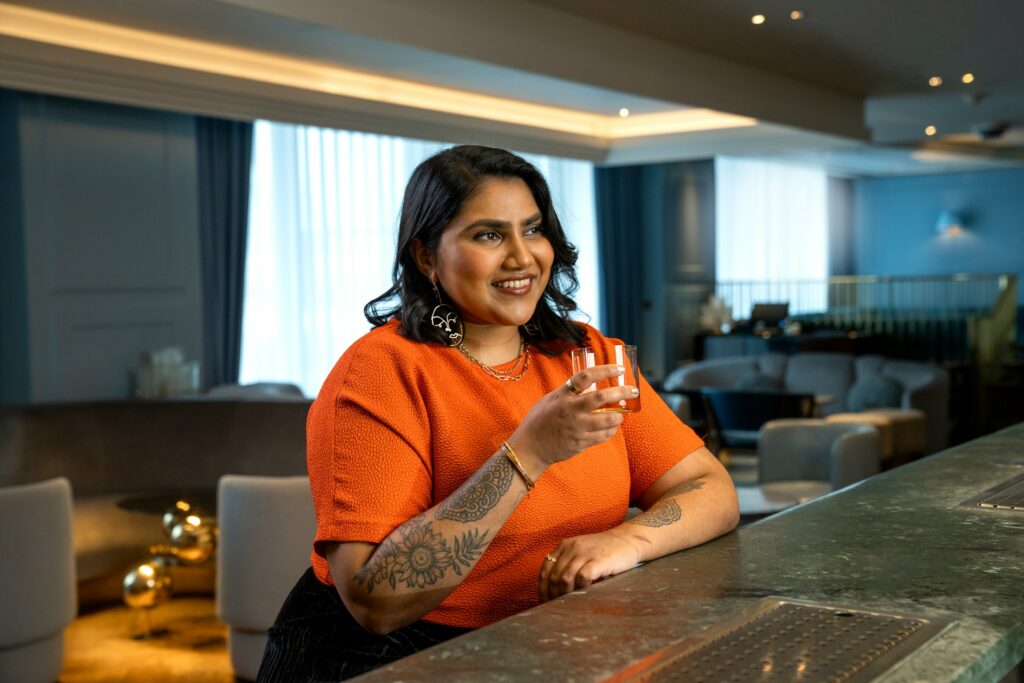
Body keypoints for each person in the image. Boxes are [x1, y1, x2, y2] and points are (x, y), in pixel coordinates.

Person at [257, 145, 739, 681]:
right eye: (488, 235)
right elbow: (377, 601)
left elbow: (711, 487)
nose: (521, 257)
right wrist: (527, 453)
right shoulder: (380, 372)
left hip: (548, 644)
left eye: (532, 230)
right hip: (385, 658)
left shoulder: (585, 353)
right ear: (425, 257)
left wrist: (627, 540)